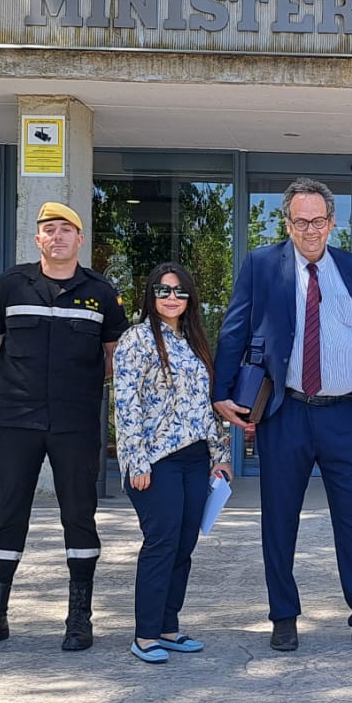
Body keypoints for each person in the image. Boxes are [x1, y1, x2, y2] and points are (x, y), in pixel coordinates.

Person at [212, 178, 352, 653]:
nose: (310, 229)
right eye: (300, 221)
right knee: (280, 520)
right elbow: (234, 328)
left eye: (318, 220)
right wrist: (220, 393)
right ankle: (283, 615)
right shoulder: (262, 265)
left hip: (346, 414)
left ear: (332, 222)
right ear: (287, 222)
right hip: (286, 413)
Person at [0, 201, 128, 653]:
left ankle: (78, 618)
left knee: (79, 516)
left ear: (80, 239)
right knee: (9, 514)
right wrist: (17, 378)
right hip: (17, 420)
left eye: (66, 230)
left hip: (75, 421)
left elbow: (115, 354)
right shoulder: (13, 284)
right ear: (38, 240)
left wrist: (83, 385)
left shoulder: (101, 292)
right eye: (49, 230)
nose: (58, 237)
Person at [113, 262, 232, 664]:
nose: (171, 298)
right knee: (161, 544)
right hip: (156, 461)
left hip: (196, 460)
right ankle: (145, 635)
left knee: (184, 545)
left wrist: (221, 456)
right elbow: (126, 404)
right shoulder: (137, 339)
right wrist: (136, 461)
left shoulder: (195, 341)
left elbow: (207, 406)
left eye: (179, 291)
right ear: (151, 295)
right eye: (163, 291)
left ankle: (169, 627)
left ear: (190, 298)